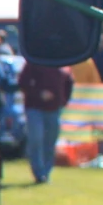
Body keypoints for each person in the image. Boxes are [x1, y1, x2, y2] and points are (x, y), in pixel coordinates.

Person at [20, 50, 74, 184]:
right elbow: (23, 82)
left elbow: (69, 83)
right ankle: (38, 173)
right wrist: (39, 93)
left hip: (54, 109)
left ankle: (46, 172)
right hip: (35, 107)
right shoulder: (34, 61)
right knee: (36, 139)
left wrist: (63, 101)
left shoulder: (63, 65)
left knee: (50, 141)